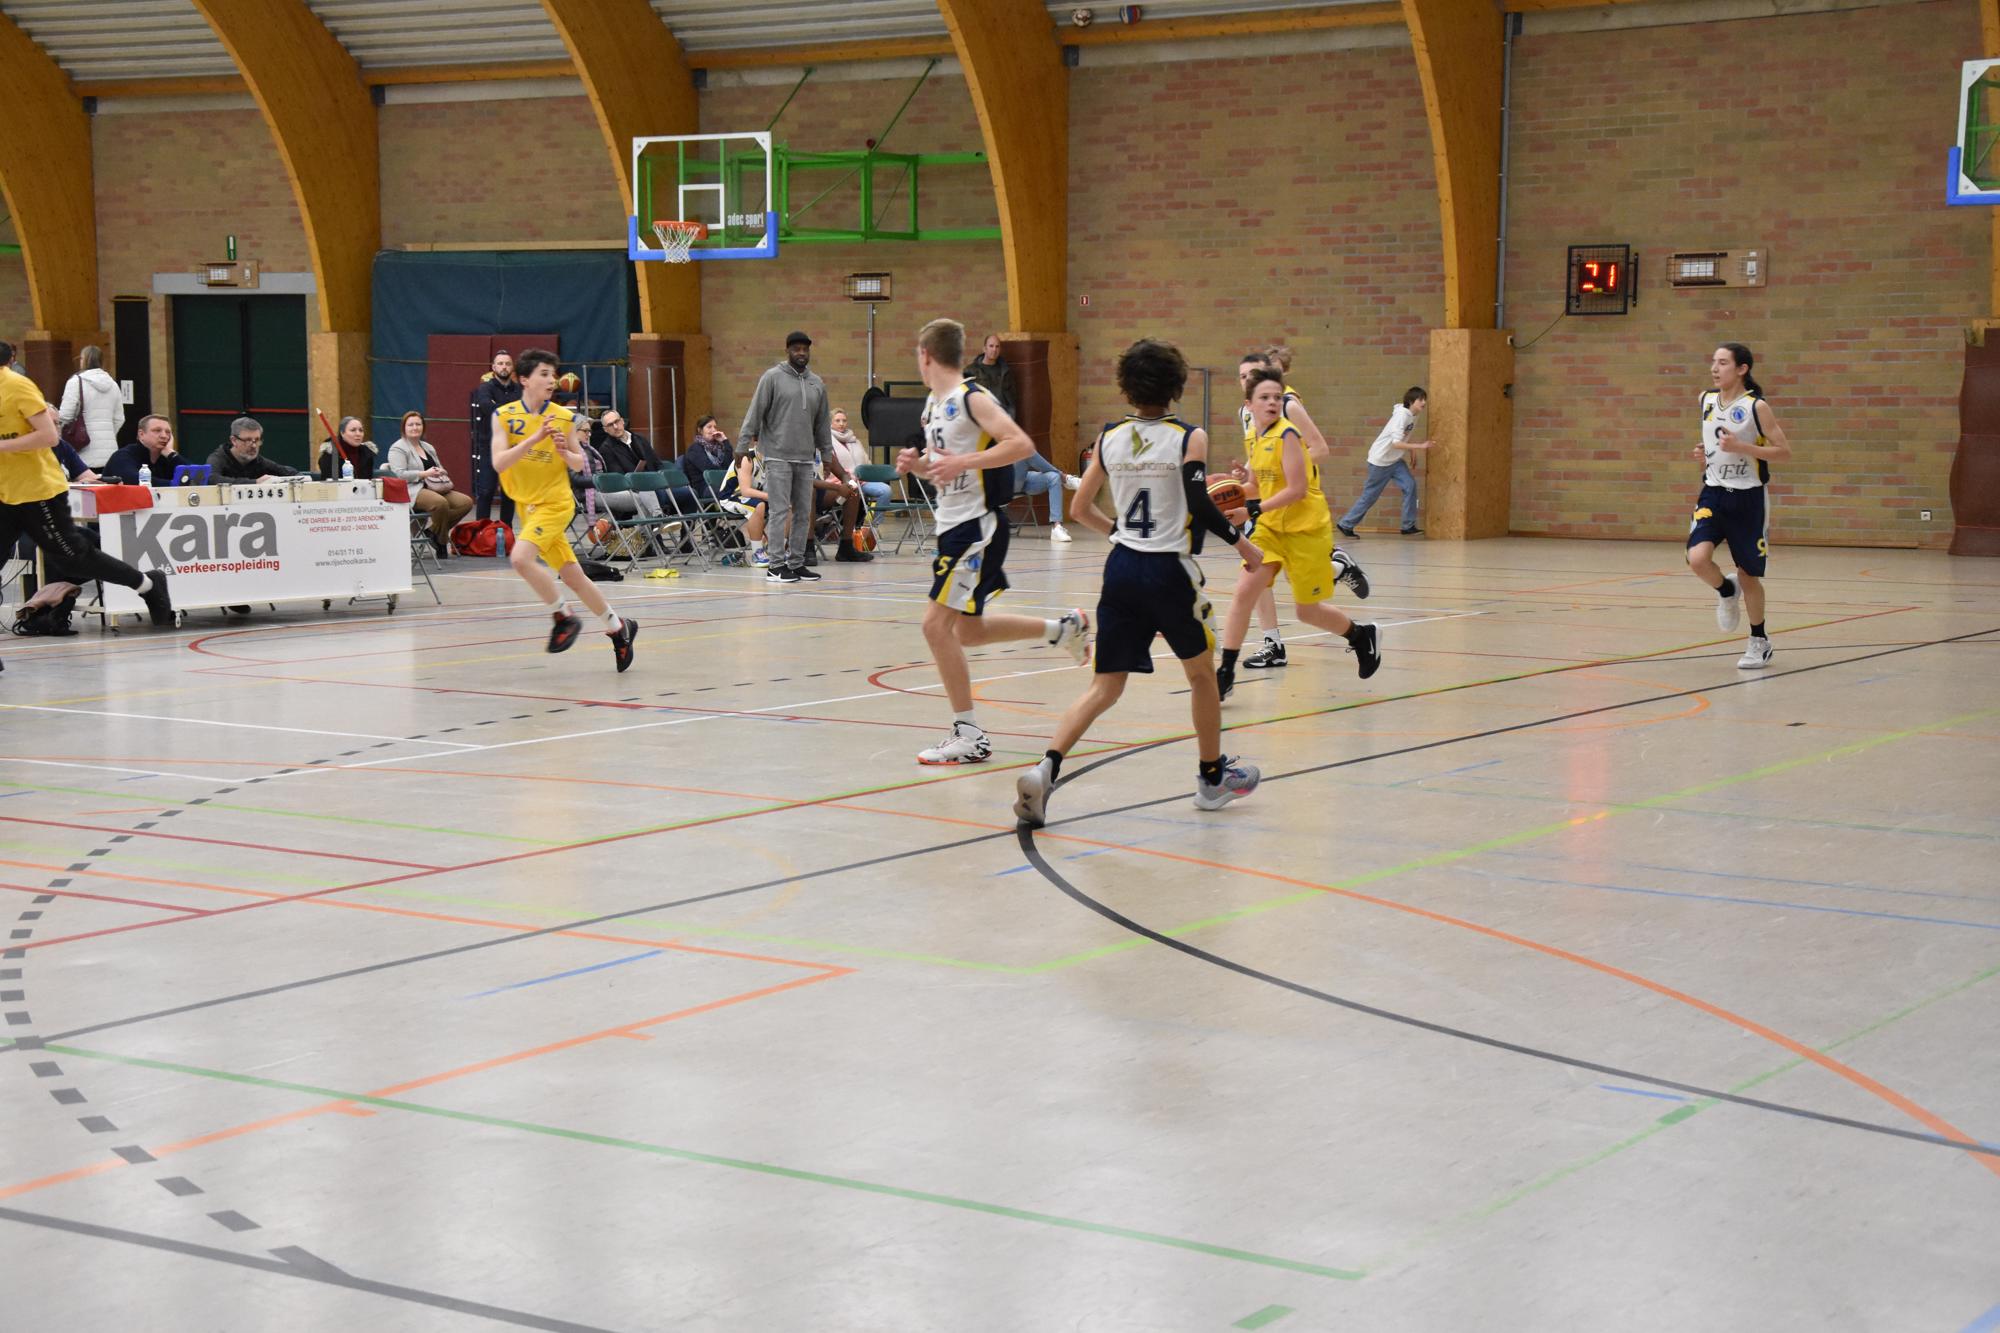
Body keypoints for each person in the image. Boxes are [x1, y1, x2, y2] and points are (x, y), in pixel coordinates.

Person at [1015, 339, 1264, 827]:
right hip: (1169, 572)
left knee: (1105, 686)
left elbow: (1079, 508)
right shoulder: (1189, 437)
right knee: (1202, 676)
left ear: (1126, 386)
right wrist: (1243, 545)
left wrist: (1121, 534)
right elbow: (1198, 502)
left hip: (1122, 569)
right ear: (1176, 385)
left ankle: (1045, 769)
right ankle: (1212, 779)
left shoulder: (1109, 437)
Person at [898, 317, 1090, 765]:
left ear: (925, 355)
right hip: (952, 527)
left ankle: (969, 734)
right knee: (967, 631)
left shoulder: (972, 397)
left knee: (934, 626)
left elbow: (1020, 444)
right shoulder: (933, 404)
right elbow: (944, 468)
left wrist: (965, 461)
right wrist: (918, 465)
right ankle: (1063, 629)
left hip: (976, 528)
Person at [0, 340, 172, 662]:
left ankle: (148, 584)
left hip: (37, 491)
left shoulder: (17, 387)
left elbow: (49, 436)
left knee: (73, 557)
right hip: (4, 492)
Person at [1215, 369, 1381, 702]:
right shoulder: (1254, 437)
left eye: (1277, 397)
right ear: (1249, 404)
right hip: (1271, 529)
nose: (1272, 402)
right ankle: (1225, 672)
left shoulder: (1288, 435)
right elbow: (1255, 487)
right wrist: (1232, 488)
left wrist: (1250, 509)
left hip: (1305, 530)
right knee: (1245, 592)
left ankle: (1360, 635)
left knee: (1307, 611)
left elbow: (1296, 490)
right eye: (1264, 397)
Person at [492, 349, 638, 671]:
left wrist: (563, 452)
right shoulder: (503, 416)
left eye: (553, 375)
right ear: (524, 379)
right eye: (543, 374)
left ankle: (563, 616)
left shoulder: (563, 416)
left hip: (556, 504)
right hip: (528, 507)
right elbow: (499, 462)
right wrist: (534, 439)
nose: (551, 380)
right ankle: (619, 628)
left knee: (520, 559)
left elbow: (578, 463)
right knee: (573, 575)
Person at [1233, 348, 1365, 669]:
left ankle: (1336, 569)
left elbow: (1320, 449)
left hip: (1298, 505)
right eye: (1242, 376)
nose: (1247, 380)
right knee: (1254, 575)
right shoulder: (1247, 411)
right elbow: (1261, 459)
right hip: (1267, 508)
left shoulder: (1288, 405)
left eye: (1253, 374)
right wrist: (1242, 479)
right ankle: (1272, 643)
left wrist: (1285, 470)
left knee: (1304, 602)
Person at [1689, 342, 1791, 669]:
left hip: (1748, 498)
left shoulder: (1756, 407)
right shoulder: (1705, 400)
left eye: (1722, 363)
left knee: (1749, 574)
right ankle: (1725, 589)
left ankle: (1759, 640)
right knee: (1697, 558)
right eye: (1713, 362)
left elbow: (1783, 451)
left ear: (1742, 368)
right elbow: (1713, 444)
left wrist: (1742, 447)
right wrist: (1704, 454)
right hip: (1713, 492)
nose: (1714, 368)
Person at [739, 331, 854, 583]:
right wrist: (741, 444)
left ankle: (796, 562)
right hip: (777, 456)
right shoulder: (772, 377)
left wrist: (826, 454)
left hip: (804, 458)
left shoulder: (817, 383)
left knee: (803, 512)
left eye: (805, 349)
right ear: (787, 351)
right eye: (796, 349)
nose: (801, 353)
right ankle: (775, 566)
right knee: (780, 510)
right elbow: (754, 412)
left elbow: (821, 424)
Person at [1339, 387, 1433, 536]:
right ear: (1410, 401)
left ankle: (1408, 526)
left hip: (1394, 461)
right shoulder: (1401, 416)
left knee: (1410, 486)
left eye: (1424, 399)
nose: (1424, 402)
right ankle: (1346, 524)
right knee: (1370, 496)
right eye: (1420, 399)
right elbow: (1396, 443)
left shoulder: (1414, 415)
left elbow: (1403, 435)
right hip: (1380, 461)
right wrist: (1419, 446)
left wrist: (1412, 450)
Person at [387, 411, 473, 557]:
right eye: (411, 425)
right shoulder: (398, 448)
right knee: (440, 503)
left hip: (435, 486)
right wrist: (424, 474)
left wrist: (441, 471)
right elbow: (399, 475)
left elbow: (440, 467)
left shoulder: (428, 447)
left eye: (418, 424)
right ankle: (441, 542)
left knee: (466, 502)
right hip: (413, 489)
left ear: (423, 427)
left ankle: (433, 532)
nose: (415, 427)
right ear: (404, 428)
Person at [469, 350, 519, 525]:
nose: (504, 367)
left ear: (512, 367)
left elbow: (523, 410)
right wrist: (511, 409)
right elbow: (486, 407)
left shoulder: (519, 389)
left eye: (507, 364)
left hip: (512, 448)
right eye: (500, 363)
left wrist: (497, 407)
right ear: (494, 367)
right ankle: (481, 531)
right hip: (489, 447)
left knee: (509, 493)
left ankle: (506, 530)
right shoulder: (485, 388)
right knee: (486, 491)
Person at [56, 344, 125, 469]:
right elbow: (119, 418)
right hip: (109, 450)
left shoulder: (76, 382)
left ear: (84, 360)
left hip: (82, 448)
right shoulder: (113, 385)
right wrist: (108, 434)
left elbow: (65, 415)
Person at [1013, 452, 1082, 543]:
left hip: (1020, 475)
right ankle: (1065, 478)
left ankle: (1056, 527)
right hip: (1003, 483)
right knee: (1025, 452)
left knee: (1054, 477)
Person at [207, 416, 300, 480]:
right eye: (248, 440)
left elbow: (291, 473)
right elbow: (211, 479)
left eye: (257, 440)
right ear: (234, 440)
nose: (254, 445)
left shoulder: (259, 462)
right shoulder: (218, 459)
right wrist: (255, 483)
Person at [830, 409, 887, 513]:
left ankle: (874, 522)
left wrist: (869, 475)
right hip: (840, 482)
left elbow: (867, 462)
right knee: (853, 493)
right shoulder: (826, 442)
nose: (841, 424)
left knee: (885, 490)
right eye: (837, 421)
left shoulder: (855, 441)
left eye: (844, 420)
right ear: (830, 423)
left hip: (862, 481)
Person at [103, 414, 182, 485]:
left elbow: (188, 477)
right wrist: (174, 484)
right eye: (157, 431)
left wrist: (171, 454)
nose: (164, 436)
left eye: (168, 432)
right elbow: (133, 480)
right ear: (141, 434)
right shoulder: (123, 455)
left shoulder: (167, 458)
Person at [683, 415, 735, 499]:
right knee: (734, 491)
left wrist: (725, 441)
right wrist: (725, 472)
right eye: (709, 427)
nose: (713, 430)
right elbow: (709, 470)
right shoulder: (694, 449)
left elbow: (729, 467)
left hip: (721, 483)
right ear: (700, 430)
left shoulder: (719, 448)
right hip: (704, 487)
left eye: (715, 427)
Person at [964, 332, 1015, 412]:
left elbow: (1012, 399)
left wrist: (1011, 414)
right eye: (991, 346)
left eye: (997, 346)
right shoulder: (970, 371)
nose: (994, 349)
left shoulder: (1005, 371)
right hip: (982, 415)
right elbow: (965, 397)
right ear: (984, 349)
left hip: (1002, 415)